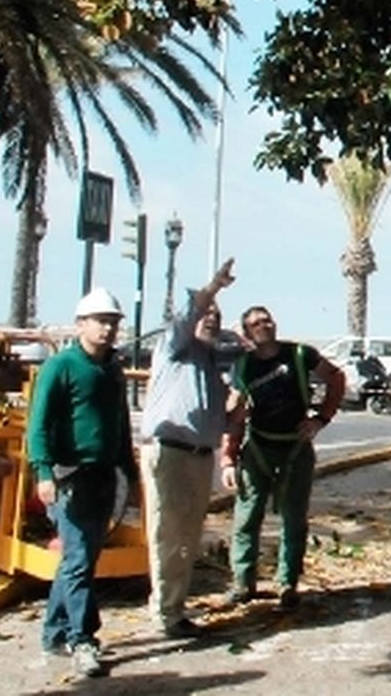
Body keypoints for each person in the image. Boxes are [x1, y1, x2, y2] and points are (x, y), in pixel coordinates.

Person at [25, 288, 141, 678]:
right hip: (68, 477)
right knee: (77, 560)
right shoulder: (61, 367)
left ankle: (54, 631)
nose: (108, 329)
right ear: (81, 324)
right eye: (101, 321)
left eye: (113, 322)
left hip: (103, 476)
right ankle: (82, 637)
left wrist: (129, 469)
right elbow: (38, 424)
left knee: (82, 560)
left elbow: (120, 421)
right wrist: (43, 473)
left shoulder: (112, 369)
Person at [220, 305, 345, 609]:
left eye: (267, 319)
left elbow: (336, 378)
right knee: (246, 517)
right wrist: (227, 458)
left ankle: (288, 582)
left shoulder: (300, 355)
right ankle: (242, 582)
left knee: (294, 519)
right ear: (247, 333)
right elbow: (234, 416)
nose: (264, 325)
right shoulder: (244, 365)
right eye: (255, 323)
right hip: (258, 449)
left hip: (295, 450)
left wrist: (321, 418)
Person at [138, 258, 237, 638]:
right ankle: (165, 614)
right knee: (167, 532)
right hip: (170, 452)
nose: (210, 318)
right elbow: (185, 315)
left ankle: (173, 608)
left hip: (199, 456)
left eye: (217, 314)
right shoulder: (174, 348)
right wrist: (212, 288)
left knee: (187, 536)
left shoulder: (213, 365)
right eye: (206, 313)